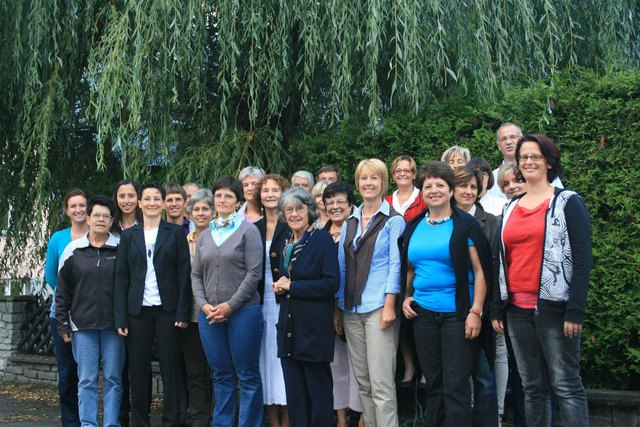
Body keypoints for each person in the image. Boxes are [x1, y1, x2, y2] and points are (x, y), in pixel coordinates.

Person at [491, 134, 592, 427]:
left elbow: (583, 261)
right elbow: (500, 260)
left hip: (555, 310)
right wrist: (498, 308)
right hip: (517, 311)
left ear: (549, 162)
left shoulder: (567, 202)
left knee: (566, 385)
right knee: (532, 387)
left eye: (536, 156)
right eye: (524, 157)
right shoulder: (510, 207)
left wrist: (576, 310)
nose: (529, 161)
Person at [401, 161, 492, 427]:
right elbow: (409, 268)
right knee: (434, 383)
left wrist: (476, 311)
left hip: (458, 314)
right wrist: (407, 296)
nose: (434, 190)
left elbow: (481, 272)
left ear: (450, 190)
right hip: (424, 315)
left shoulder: (466, 226)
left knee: (455, 385)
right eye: (428, 185)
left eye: (440, 184)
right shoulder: (414, 226)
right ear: (422, 192)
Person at [115, 182, 192, 427]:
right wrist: (120, 317)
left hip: (168, 311)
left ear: (162, 203)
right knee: (138, 372)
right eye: (146, 199)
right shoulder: (128, 236)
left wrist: (182, 311)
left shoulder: (175, 232)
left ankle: (172, 421)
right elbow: (121, 278)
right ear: (139, 203)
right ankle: (140, 421)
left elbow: (183, 275)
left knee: (171, 370)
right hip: (137, 312)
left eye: (156, 199)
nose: (151, 203)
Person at [337, 158, 406, 426]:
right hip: (351, 309)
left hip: (379, 307)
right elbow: (342, 267)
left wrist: (390, 305)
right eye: (363, 178)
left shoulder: (393, 221)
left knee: (381, 383)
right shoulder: (350, 222)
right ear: (357, 183)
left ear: (383, 182)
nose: (368, 183)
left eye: (374, 178)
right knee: (363, 381)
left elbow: (395, 266)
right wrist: (338, 307)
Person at [191, 176, 264, 427]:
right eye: (218, 195)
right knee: (221, 375)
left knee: (247, 375)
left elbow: (254, 273)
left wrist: (231, 305)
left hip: (243, 312)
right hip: (209, 314)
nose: (222, 200)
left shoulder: (248, 230)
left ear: (238, 201)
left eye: (228, 196)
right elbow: (196, 274)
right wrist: (203, 305)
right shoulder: (205, 235)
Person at [273, 188, 340, 427]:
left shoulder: (321, 239)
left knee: (318, 394)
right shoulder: (286, 241)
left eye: (299, 208)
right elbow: (287, 281)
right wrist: (281, 287)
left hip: (313, 330)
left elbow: (331, 283)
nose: (294, 214)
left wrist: (293, 287)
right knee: (296, 396)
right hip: (289, 329)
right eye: (289, 210)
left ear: (309, 210)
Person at [55, 195, 123, 427]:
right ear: (89, 217)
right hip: (82, 327)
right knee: (86, 380)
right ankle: (88, 424)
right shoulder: (73, 250)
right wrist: (63, 323)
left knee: (114, 379)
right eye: (97, 215)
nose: (101, 219)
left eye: (106, 215)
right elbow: (62, 291)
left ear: (112, 220)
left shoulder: (120, 248)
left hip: (114, 327)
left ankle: (111, 423)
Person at [453, 166, 500, 426]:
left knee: (484, 377)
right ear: (453, 189)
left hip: (480, 309)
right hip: (448, 309)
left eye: (474, 187)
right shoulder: (441, 219)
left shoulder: (491, 222)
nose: (469, 191)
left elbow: (494, 271)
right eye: (464, 186)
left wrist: (489, 311)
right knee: (454, 378)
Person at [45, 188, 88, 427]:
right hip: (61, 315)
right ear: (67, 210)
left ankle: (88, 418)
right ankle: (71, 422)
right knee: (67, 371)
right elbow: (51, 275)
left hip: (90, 315)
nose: (79, 210)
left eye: (82, 205)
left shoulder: (98, 234)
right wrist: (68, 299)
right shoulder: (58, 239)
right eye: (74, 206)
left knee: (88, 373)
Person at [323, 181, 364, 427]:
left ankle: (361, 415)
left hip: (355, 306)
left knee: (359, 366)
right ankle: (340, 418)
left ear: (351, 205)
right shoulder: (318, 234)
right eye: (330, 203)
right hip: (326, 310)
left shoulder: (359, 230)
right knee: (335, 366)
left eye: (341, 202)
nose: (335, 207)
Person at [384, 155, 427, 387]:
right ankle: (409, 366)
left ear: (413, 173)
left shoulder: (423, 198)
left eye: (407, 170)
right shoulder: (386, 200)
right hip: (393, 267)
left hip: (418, 266)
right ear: (393, 174)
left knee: (418, 320)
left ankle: (424, 369)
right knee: (399, 322)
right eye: (398, 170)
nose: (402, 174)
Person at [254, 174, 291, 427]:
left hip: (285, 301)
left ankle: (288, 420)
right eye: (265, 190)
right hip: (258, 301)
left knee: (283, 359)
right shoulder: (252, 227)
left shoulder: (292, 224)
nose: (269, 194)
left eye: (274, 190)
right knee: (263, 360)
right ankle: (273, 422)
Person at [182, 189, 214, 427]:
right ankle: (199, 419)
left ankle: (218, 416)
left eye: (205, 209)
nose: (200, 213)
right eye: (196, 209)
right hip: (191, 315)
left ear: (213, 213)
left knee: (218, 370)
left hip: (216, 312)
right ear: (189, 213)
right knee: (195, 371)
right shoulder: (183, 242)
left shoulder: (221, 238)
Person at [487, 123, 562, 199]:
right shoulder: (492, 177)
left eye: (513, 137)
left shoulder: (542, 172)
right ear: (498, 146)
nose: (508, 142)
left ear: (521, 140)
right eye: (504, 139)